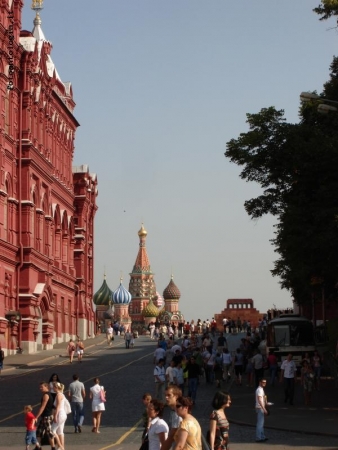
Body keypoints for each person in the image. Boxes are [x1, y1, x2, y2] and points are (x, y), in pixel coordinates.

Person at [35, 381, 61, 450]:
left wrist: (36, 417)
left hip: (47, 416)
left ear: (46, 387)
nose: (40, 388)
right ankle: (38, 446)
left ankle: (53, 447)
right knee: (39, 431)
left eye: (42, 387)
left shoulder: (46, 395)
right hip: (45, 416)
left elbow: (43, 407)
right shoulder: (48, 394)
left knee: (49, 432)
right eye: (40, 387)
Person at [162, 386, 182, 450]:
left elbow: (172, 434)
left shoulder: (178, 412)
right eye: (165, 395)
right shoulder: (173, 411)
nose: (166, 397)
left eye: (169, 395)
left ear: (176, 396)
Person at [51, 382, 67, 450]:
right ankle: (61, 447)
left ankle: (61, 446)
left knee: (52, 430)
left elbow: (57, 406)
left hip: (60, 414)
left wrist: (55, 416)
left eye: (53, 387)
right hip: (63, 414)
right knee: (60, 431)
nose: (52, 388)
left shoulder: (58, 395)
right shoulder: (61, 394)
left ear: (56, 387)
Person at [255, 378, 268, 442]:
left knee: (261, 423)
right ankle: (258, 437)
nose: (264, 383)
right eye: (263, 382)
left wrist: (266, 402)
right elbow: (260, 400)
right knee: (260, 423)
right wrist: (264, 408)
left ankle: (262, 436)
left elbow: (263, 398)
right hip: (260, 408)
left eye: (265, 382)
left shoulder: (261, 389)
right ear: (260, 382)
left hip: (260, 407)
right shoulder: (259, 390)